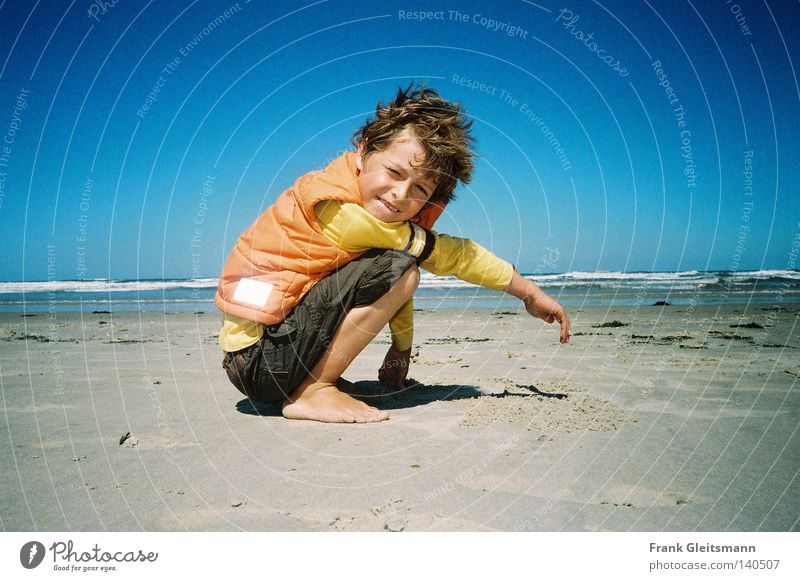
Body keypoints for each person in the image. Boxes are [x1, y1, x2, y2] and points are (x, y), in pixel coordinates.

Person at [215, 83, 570, 424]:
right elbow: (452, 256)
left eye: (419, 188)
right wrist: (529, 292)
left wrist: (401, 348)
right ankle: (314, 389)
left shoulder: (352, 199)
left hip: (263, 358)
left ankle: (312, 380)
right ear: (366, 149)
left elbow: (388, 273)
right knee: (403, 266)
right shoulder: (337, 210)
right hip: (260, 362)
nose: (400, 194)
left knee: (398, 264)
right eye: (394, 172)